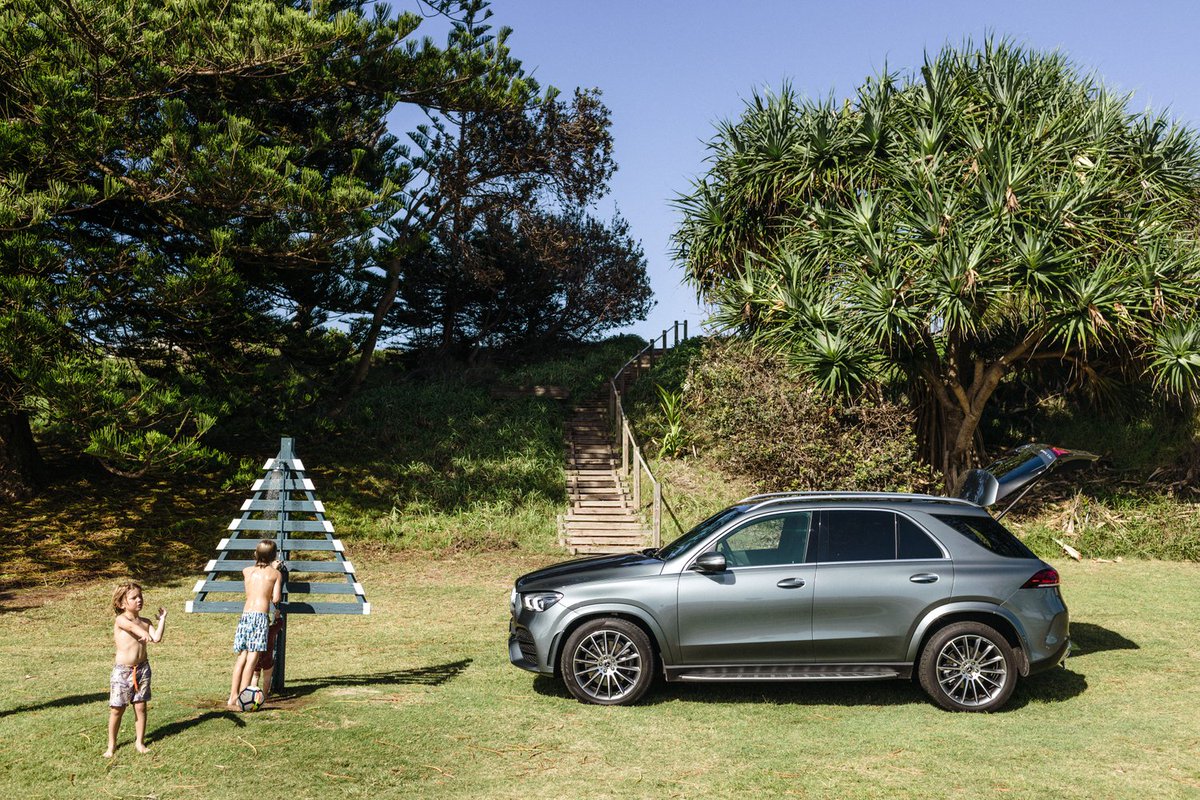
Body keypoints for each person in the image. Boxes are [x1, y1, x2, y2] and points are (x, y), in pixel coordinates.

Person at [106, 581, 166, 757]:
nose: (139, 600)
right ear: (122, 603)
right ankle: (111, 745)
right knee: (117, 708)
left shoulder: (146, 622)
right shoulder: (121, 619)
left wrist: (162, 620)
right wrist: (144, 634)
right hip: (123, 671)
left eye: (140, 596)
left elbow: (157, 638)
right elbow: (132, 627)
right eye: (134, 597)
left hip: (142, 669)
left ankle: (140, 742)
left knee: (140, 707)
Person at [228, 539, 282, 709]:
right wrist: (276, 570)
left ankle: (232, 696)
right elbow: (276, 598)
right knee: (253, 656)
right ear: (274, 557)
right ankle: (244, 697)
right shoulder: (275, 574)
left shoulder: (246, 571)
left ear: (255, 554)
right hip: (260, 616)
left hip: (245, 615)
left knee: (241, 656)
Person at [250, 614, 284, 703]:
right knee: (267, 678)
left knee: (255, 676)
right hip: (267, 658)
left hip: (256, 657)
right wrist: (278, 617)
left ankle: (254, 695)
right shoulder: (271, 630)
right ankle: (264, 696)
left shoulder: (254, 632)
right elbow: (280, 624)